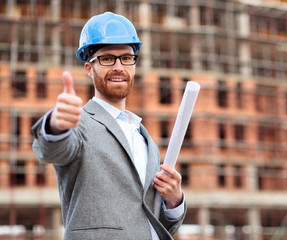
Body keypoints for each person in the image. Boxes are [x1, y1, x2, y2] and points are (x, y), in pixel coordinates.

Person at [31, 12, 186, 240]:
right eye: (107, 59)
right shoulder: (79, 124)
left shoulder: (145, 139)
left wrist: (174, 201)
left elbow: (152, 224)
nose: (118, 67)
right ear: (89, 68)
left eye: (126, 58)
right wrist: (55, 125)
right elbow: (54, 149)